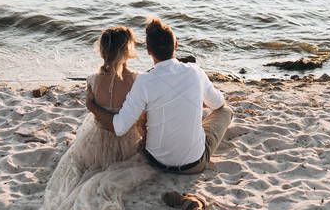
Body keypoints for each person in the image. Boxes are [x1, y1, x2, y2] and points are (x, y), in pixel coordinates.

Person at [35, 26, 152, 210]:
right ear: (127, 49)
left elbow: (96, 111)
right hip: (125, 143)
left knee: (78, 165)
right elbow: (139, 117)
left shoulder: (92, 80)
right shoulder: (137, 81)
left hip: (96, 142)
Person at [87, 18, 233, 174]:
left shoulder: (143, 81)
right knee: (225, 111)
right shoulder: (195, 71)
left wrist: (92, 106)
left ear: (149, 51)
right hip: (193, 165)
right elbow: (218, 103)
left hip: (155, 162)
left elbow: (119, 126)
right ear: (176, 45)